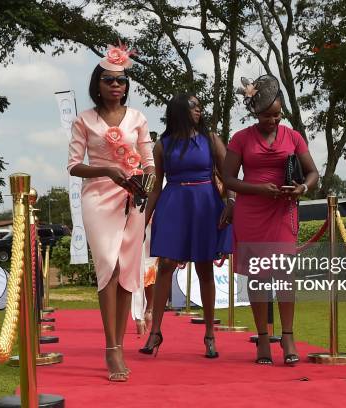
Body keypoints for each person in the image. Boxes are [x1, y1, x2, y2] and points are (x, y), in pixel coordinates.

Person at [67, 43, 155, 382]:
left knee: (126, 271)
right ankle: (111, 349)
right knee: (108, 265)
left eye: (120, 81)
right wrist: (106, 171)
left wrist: (144, 190)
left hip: (133, 198)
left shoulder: (138, 119)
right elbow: (74, 167)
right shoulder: (83, 120)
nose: (115, 86)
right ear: (97, 85)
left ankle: (118, 344)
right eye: (108, 80)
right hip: (98, 198)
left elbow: (149, 163)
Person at [222, 75, 319, 365]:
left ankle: (288, 335)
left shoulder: (293, 136)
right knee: (259, 277)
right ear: (255, 113)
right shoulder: (240, 138)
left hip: (283, 212)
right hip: (251, 212)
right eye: (267, 116)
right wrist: (257, 189)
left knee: (285, 275)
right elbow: (227, 178)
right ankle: (263, 338)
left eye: (277, 115)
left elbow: (313, 173)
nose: (273, 120)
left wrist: (302, 188)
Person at [139, 93, 233, 358]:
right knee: (166, 264)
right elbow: (156, 187)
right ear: (179, 111)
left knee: (205, 267)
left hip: (205, 204)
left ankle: (210, 334)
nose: (199, 111)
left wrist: (231, 203)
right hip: (174, 203)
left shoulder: (210, 139)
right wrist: (143, 221)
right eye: (194, 107)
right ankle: (155, 332)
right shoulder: (162, 144)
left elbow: (228, 174)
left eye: (200, 106)